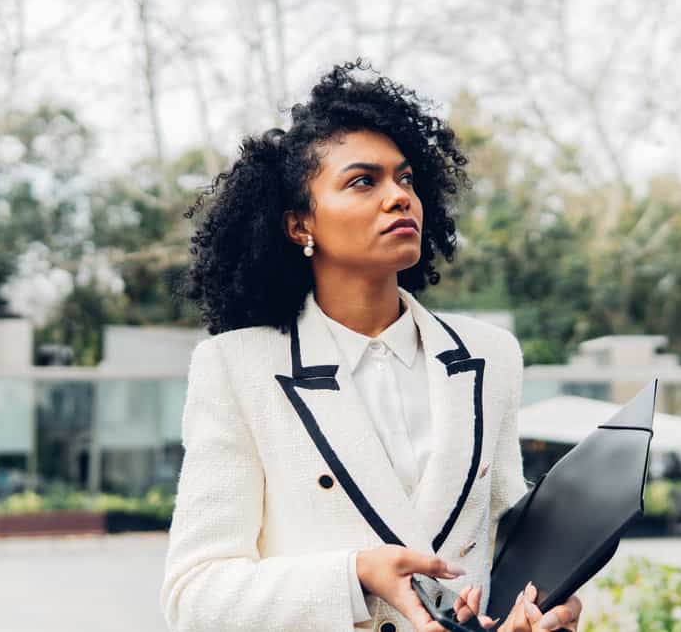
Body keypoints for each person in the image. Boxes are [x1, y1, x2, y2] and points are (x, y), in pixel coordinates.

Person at [160, 59, 582, 632]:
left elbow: (506, 552)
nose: (398, 197)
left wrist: (542, 608)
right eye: (364, 181)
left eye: (405, 179)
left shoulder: (491, 356)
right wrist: (354, 575)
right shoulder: (237, 369)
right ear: (298, 226)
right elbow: (195, 594)